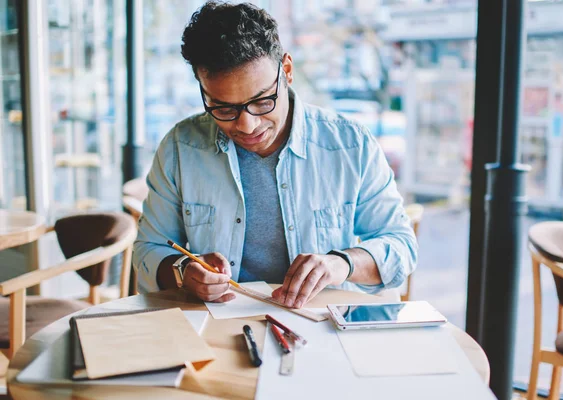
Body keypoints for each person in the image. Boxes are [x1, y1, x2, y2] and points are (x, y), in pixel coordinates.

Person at [133, 1, 417, 309]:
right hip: (216, 326)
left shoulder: (350, 145)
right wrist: (182, 271)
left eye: (262, 101)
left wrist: (340, 265)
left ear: (287, 71)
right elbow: (148, 250)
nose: (247, 124)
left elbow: (401, 246)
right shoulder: (181, 147)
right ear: (203, 91)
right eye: (224, 108)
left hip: (322, 327)